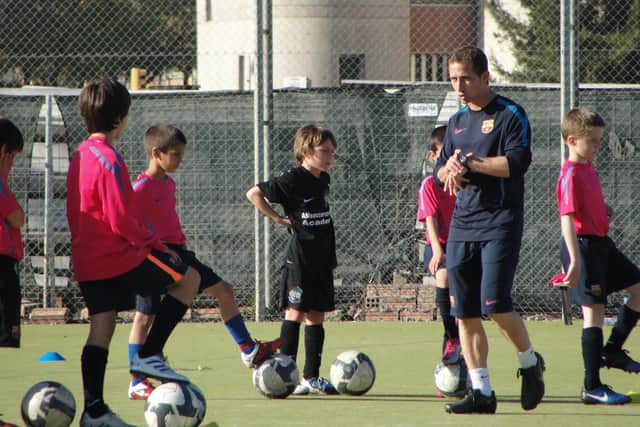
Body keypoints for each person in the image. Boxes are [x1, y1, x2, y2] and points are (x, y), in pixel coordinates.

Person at [67, 78, 203, 427]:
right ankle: (149, 355)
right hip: (117, 256)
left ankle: (93, 411)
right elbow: (121, 217)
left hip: (86, 260)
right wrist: (154, 246)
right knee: (188, 279)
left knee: (102, 327)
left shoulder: (80, 154)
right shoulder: (110, 158)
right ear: (120, 119)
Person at [127, 123, 281, 400]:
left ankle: (248, 350)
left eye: (181, 155)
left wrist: (175, 246)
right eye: (175, 155)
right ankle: (137, 380)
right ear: (155, 153)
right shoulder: (139, 188)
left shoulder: (169, 183)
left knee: (224, 291)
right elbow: (130, 225)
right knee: (144, 316)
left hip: (178, 252)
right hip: (152, 255)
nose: (179, 161)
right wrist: (158, 248)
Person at [433, 46, 545, 414]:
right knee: (464, 313)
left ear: (485, 77)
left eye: (465, 77)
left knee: (494, 304)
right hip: (462, 224)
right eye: (452, 78)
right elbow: (440, 172)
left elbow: (516, 164)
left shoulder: (511, 114)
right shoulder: (456, 122)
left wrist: (472, 162)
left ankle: (530, 363)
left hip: (500, 221)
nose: (458, 86)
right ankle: (482, 391)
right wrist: (448, 170)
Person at [246, 124, 339, 395]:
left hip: (323, 257)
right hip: (300, 259)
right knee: (295, 311)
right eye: (324, 151)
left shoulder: (323, 179)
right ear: (306, 151)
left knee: (317, 314)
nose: (330, 157)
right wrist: (277, 218)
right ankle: (287, 374)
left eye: (332, 152)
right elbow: (253, 193)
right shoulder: (292, 178)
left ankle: (311, 377)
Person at [556, 106, 640, 405]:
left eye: (598, 140)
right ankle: (592, 386)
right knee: (594, 313)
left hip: (603, 244)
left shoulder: (588, 168)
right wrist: (575, 258)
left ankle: (612, 350)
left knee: (639, 290)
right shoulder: (569, 175)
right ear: (571, 140)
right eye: (590, 140)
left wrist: (604, 213)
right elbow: (566, 217)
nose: (596, 146)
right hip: (584, 248)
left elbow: (586, 208)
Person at [417, 125, 460, 366]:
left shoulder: (465, 181)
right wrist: (438, 250)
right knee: (443, 277)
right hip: (439, 245)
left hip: (463, 244)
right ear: (434, 155)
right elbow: (430, 220)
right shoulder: (429, 185)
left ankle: (463, 344)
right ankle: (451, 338)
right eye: (445, 153)